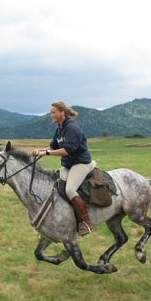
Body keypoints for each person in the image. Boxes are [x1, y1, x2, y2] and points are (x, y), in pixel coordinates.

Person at [32, 101, 96, 236]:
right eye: (51, 113)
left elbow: (66, 150)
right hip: (68, 164)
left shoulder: (72, 128)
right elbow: (53, 147)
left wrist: (47, 153)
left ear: (62, 113)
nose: (51, 115)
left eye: (53, 112)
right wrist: (40, 150)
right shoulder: (59, 129)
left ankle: (87, 222)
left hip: (80, 163)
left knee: (70, 190)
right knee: (57, 187)